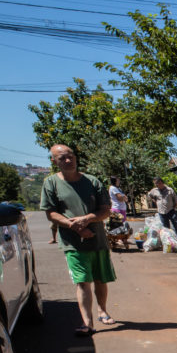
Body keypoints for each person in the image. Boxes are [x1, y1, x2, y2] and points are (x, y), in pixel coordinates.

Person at [41, 144, 115, 336]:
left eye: (71, 156)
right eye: (62, 158)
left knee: (100, 279)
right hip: (73, 243)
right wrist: (74, 226)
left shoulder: (92, 181)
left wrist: (87, 219)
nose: (68, 160)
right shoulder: (51, 183)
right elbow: (51, 213)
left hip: (97, 240)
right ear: (54, 161)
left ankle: (102, 310)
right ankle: (87, 323)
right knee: (82, 281)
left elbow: (106, 210)